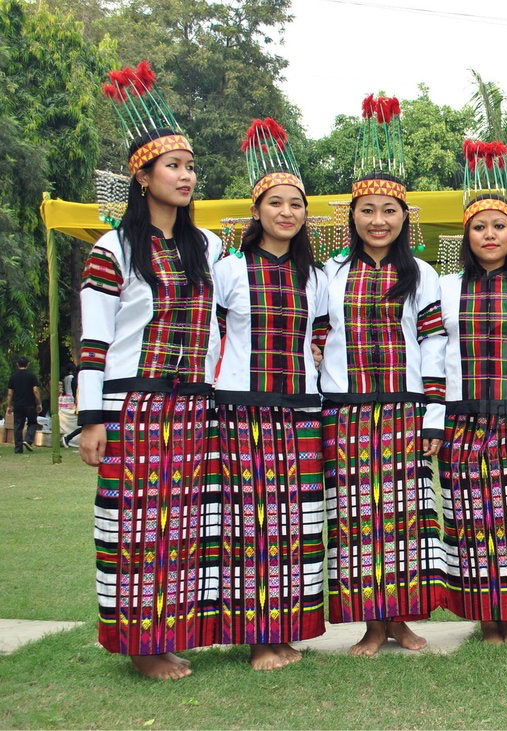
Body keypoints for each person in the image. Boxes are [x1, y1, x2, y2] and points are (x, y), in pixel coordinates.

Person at [80, 62, 221, 680]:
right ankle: (139, 646)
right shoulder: (112, 249)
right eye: (173, 166)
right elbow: (93, 341)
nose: (186, 176)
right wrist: (92, 417)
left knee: (184, 525)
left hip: (193, 406)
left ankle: (168, 635)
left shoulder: (208, 246)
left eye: (190, 167)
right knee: (135, 526)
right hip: (133, 405)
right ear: (142, 177)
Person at [319, 94, 445, 656]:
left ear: (403, 216)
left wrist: (434, 415)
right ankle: (371, 624)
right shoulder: (328, 273)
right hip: (346, 411)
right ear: (352, 216)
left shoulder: (422, 273)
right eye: (367, 210)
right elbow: (315, 343)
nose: (378, 220)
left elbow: (435, 344)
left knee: (405, 517)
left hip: (404, 410)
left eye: (389, 210)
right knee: (355, 518)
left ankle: (402, 619)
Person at [213, 118, 327, 670]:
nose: (287, 212)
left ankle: (285, 631)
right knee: (250, 522)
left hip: (300, 408)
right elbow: (212, 338)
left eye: (296, 204)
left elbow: (321, 336)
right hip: (243, 407)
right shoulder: (229, 270)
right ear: (256, 210)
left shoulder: (315, 275)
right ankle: (258, 638)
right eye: (275, 202)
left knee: (295, 523)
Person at [437, 142, 507, 645]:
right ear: (466, 234)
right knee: (470, 515)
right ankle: (486, 618)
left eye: (499, 226)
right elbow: (433, 353)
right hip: (460, 415)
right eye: (479, 226)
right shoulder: (443, 286)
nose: (489, 234)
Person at [7, 356, 41, 453]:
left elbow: (10, 393)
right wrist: (39, 403)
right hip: (30, 404)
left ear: (17, 364)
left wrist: (9, 406)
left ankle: (18, 448)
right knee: (32, 423)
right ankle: (28, 440)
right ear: (28, 364)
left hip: (18, 405)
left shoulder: (13, 376)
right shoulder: (32, 376)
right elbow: (35, 391)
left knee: (18, 426)